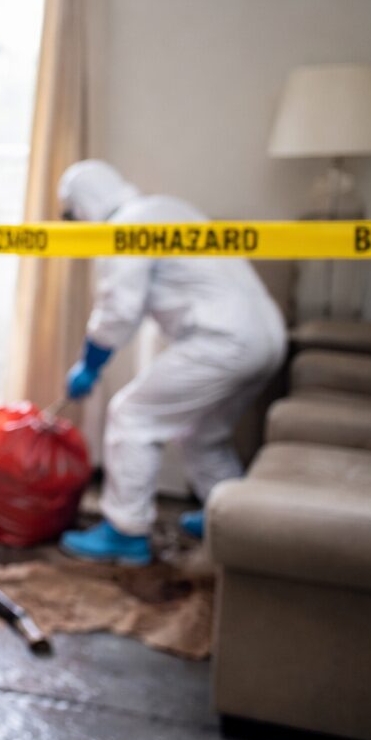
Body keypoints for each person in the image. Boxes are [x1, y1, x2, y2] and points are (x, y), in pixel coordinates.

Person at [56, 160, 286, 565]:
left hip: (222, 341)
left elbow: (119, 311)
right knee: (204, 434)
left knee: (132, 416)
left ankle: (125, 532)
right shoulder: (165, 207)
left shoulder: (125, 227)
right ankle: (230, 518)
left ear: (84, 206)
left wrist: (90, 363)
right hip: (268, 337)